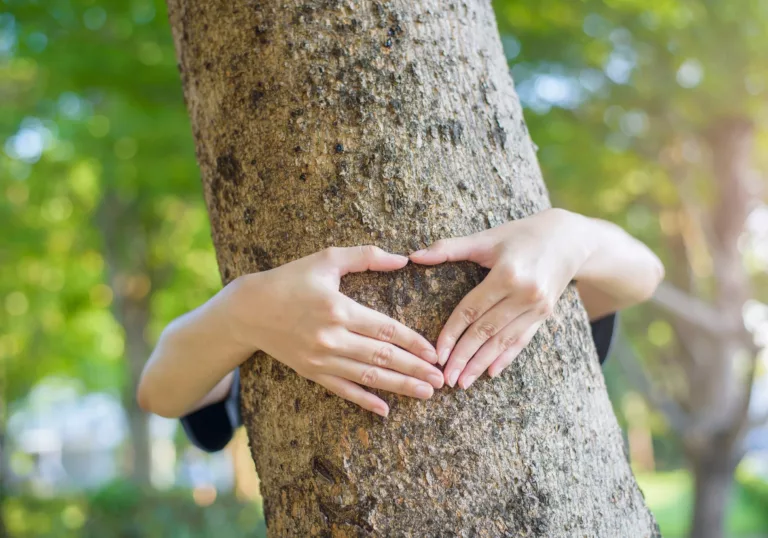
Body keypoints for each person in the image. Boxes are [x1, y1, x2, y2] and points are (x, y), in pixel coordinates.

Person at [137, 208, 664, 452]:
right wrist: (241, 309)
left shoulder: (525, 297)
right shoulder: (286, 332)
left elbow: (640, 275)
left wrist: (571, 234)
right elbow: (163, 390)